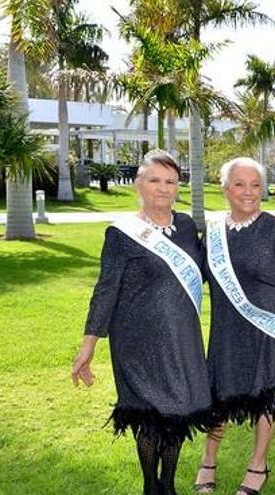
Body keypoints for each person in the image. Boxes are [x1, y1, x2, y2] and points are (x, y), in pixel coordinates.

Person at [71, 151, 212, 495]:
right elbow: (106, 290)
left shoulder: (187, 228)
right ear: (139, 184)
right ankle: (151, 485)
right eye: (154, 180)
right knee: (148, 414)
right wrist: (88, 344)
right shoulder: (121, 234)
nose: (163, 189)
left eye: (170, 182)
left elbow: (205, 274)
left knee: (178, 409)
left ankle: (169, 483)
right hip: (137, 341)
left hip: (181, 336)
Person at [193, 158, 275, 495]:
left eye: (255, 185)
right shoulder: (214, 231)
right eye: (240, 184)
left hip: (269, 329)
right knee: (218, 395)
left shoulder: (274, 228)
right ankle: (208, 460)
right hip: (227, 329)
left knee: (265, 397)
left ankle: (258, 465)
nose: (248, 192)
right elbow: (195, 274)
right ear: (226, 189)